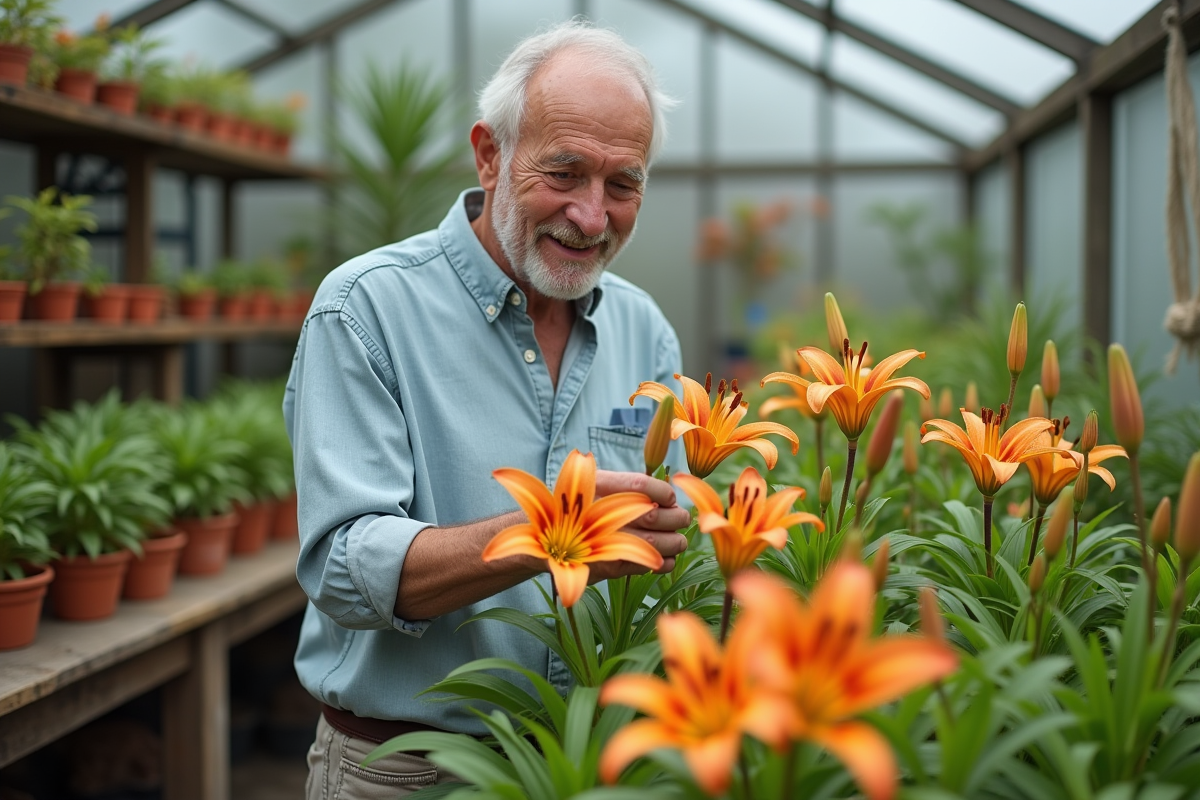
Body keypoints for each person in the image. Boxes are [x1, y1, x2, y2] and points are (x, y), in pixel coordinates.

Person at [284, 20, 691, 798]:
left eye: (623, 184)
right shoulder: (366, 308)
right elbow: (342, 565)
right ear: (490, 153)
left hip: (589, 768)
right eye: (564, 172)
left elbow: (670, 542)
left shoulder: (645, 330)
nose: (592, 216)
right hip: (407, 771)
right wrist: (546, 532)